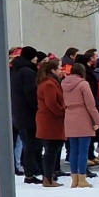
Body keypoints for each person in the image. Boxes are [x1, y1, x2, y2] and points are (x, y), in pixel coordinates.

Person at [62, 63, 99, 188]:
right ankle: (82, 178)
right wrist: (97, 120)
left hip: (69, 116)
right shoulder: (83, 84)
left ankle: (74, 179)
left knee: (73, 150)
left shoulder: (63, 83)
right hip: (83, 116)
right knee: (83, 150)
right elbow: (90, 104)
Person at [34, 57, 66, 187]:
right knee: (51, 150)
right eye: (59, 68)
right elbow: (51, 102)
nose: (61, 70)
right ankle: (48, 178)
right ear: (53, 70)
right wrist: (62, 112)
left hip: (51, 120)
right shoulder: (49, 84)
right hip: (50, 121)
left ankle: (48, 177)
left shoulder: (50, 82)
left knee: (52, 150)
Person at [11, 47, 41, 182]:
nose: (36, 59)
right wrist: (38, 107)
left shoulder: (16, 70)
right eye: (35, 56)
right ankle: (30, 173)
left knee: (29, 144)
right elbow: (31, 94)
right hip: (29, 114)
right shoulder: (27, 72)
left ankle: (32, 171)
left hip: (19, 113)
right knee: (31, 145)